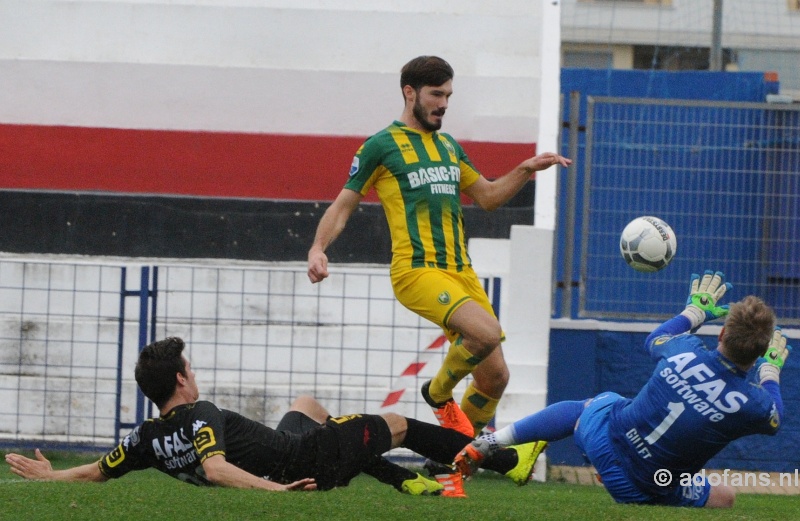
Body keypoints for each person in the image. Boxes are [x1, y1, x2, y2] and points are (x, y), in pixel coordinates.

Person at [306, 55, 571, 438]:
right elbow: (344, 204)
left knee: (495, 377)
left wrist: (525, 169)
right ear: (409, 92)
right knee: (486, 333)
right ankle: (437, 391)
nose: (444, 103)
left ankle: (452, 457)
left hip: (460, 272)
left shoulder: (448, 146)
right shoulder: (380, 146)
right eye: (436, 94)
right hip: (417, 270)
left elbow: (488, 197)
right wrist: (318, 248)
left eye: (448, 94)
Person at [5, 337, 542, 497]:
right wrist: (276, 492)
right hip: (303, 465)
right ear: (179, 381)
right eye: (189, 368)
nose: (194, 374)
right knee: (397, 423)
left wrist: (53, 475)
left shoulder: (147, 436)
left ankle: (408, 486)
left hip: (286, 449)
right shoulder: (203, 413)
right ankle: (504, 460)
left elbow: (100, 469)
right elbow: (215, 468)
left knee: (306, 404)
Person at [455, 270, 791, 508]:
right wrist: (770, 372)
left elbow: (655, 338)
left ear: (721, 336)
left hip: (601, 440)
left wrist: (695, 311)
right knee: (726, 496)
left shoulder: (683, 349)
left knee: (600, 404)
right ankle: (616, 473)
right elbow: (775, 417)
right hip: (643, 487)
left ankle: (492, 441)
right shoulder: (752, 404)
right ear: (759, 352)